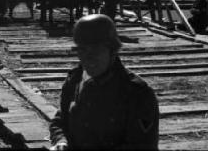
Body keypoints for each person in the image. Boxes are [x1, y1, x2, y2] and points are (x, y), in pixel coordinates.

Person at [49, 14, 159, 150]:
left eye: (96, 51)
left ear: (112, 51)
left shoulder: (136, 93)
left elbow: (142, 145)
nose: (89, 59)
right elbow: (59, 121)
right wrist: (61, 142)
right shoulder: (75, 79)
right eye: (82, 51)